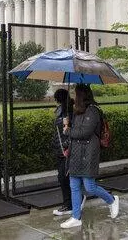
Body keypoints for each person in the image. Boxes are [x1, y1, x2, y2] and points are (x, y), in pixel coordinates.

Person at [60, 84, 119, 229]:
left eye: (75, 93)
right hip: (76, 152)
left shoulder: (93, 111)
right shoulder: (77, 111)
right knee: (73, 185)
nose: (73, 96)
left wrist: (67, 130)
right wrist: (68, 124)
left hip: (88, 153)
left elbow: (84, 133)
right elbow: (77, 131)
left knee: (90, 186)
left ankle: (111, 200)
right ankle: (76, 217)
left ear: (81, 95)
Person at [51, 88, 75, 216]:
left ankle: (69, 204)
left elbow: (68, 132)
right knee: (64, 177)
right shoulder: (62, 111)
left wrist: (67, 125)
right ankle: (70, 202)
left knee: (63, 177)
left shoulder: (69, 112)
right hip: (60, 149)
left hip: (65, 150)